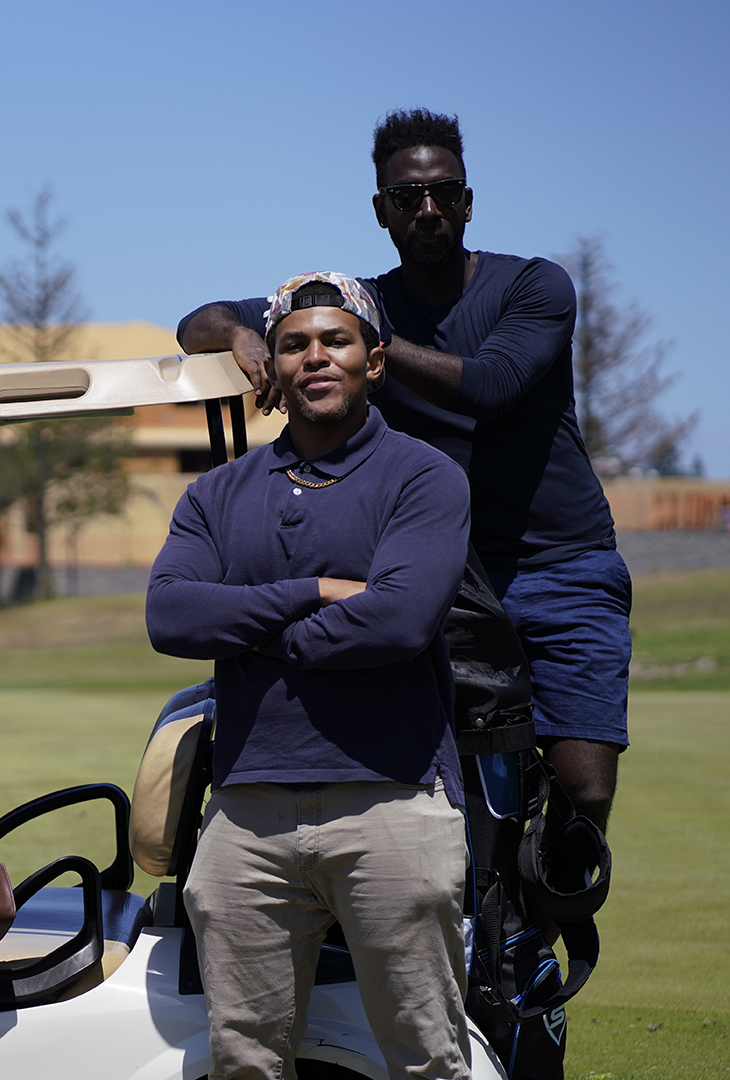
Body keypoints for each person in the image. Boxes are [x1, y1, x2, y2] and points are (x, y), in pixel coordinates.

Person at [176, 110, 628, 839]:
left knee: (586, 791)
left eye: (443, 192)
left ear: (467, 202)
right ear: (381, 210)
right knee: (435, 781)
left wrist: (367, 340)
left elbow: (489, 384)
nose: (427, 209)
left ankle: (537, 939)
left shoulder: (534, 287)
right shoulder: (358, 305)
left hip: (561, 564)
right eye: (407, 197)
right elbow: (201, 317)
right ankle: (470, 936)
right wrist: (237, 333)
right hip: (437, 570)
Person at [150, 274, 472, 1080]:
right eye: (294, 343)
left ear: (375, 359)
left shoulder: (424, 476)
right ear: (273, 366)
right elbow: (171, 619)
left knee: (426, 1057)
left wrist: (252, 632)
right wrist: (314, 594)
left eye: (336, 340)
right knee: (244, 1061)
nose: (315, 356)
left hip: (393, 799)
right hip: (246, 811)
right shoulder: (216, 493)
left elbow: (401, 620)